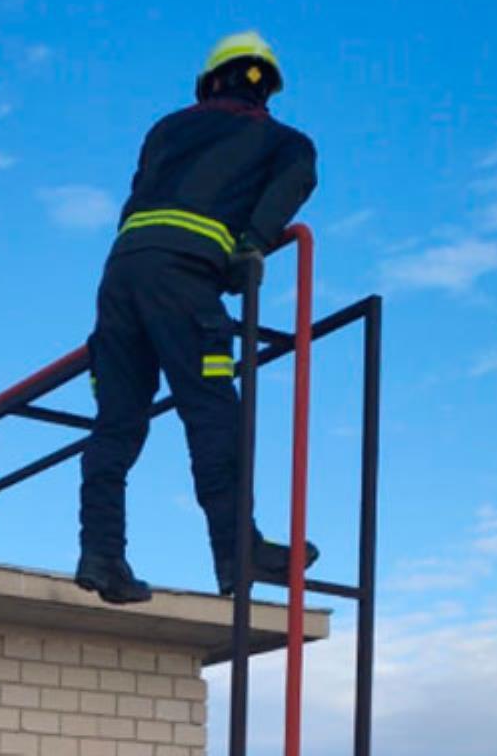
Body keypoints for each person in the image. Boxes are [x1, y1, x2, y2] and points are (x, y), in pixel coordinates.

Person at [74, 31, 320, 604]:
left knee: (116, 423)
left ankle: (102, 554)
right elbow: (297, 181)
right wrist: (251, 246)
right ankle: (238, 554)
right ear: (266, 90)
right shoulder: (285, 141)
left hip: (121, 278)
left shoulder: (165, 129)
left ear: (210, 82)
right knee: (212, 414)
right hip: (184, 282)